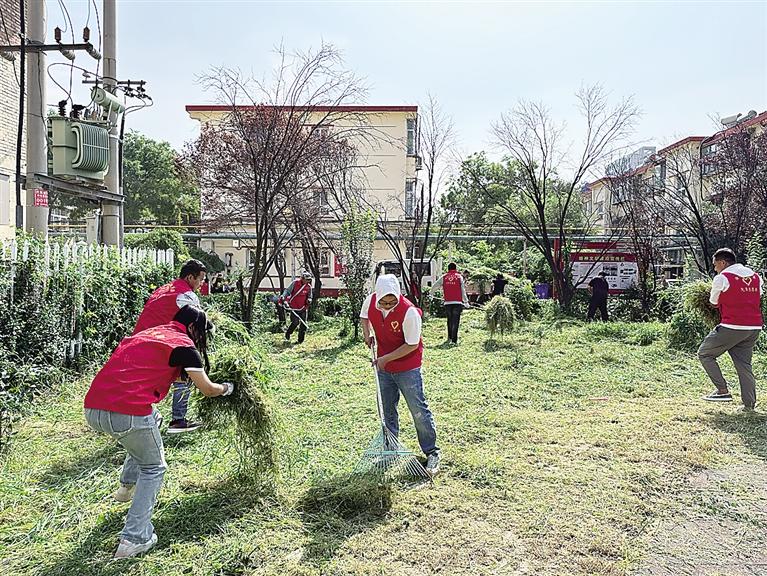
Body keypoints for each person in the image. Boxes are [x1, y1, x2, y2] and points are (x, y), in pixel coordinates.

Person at [84, 305, 234, 559]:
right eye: (202, 332)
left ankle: (126, 488)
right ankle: (134, 539)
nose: (203, 338)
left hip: (93, 409)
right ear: (194, 328)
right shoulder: (185, 347)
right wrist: (227, 388)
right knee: (154, 467)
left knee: (154, 419)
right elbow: (207, 389)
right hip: (127, 414)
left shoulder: (149, 334)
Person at [360, 274, 440, 475]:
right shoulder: (371, 301)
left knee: (418, 409)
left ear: (398, 295)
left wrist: (385, 359)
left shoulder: (409, 312)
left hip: (407, 366)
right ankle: (391, 450)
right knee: (387, 409)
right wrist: (367, 333)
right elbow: (364, 317)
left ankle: (432, 452)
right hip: (384, 366)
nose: (387, 306)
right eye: (383, 302)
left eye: (391, 301)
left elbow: (412, 344)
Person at [132, 259, 208, 433]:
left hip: (140, 340)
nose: (201, 284)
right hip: (159, 341)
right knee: (185, 372)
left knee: (145, 382)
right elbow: (195, 323)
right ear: (190, 277)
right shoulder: (187, 296)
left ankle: (146, 418)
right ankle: (178, 420)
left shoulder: (164, 289)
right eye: (200, 279)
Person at [699, 248, 763, 409]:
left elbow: (713, 302)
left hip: (732, 325)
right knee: (744, 365)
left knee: (705, 353)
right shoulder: (756, 277)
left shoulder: (722, 278)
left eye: (715, 265)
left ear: (723, 262)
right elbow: (758, 296)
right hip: (754, 327)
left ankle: (722, 390)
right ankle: (749, 404)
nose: (715, 269)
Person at [433, 262, 469, 344]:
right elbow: (462, 290)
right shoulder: (459, 277)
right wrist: (466, 301)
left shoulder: (444, 277)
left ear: (448, 269)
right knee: (455, 321)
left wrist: (431, 294)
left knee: (449, 320)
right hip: (457, 302)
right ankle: (454, 340)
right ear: (455, 269)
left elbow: (435, 285)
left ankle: (449, 337)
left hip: (447, 303)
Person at [279, 270, 313, 344]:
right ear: (302, 278)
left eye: (308, 280)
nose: (307, 281)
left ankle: (300, 340)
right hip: (294, 307)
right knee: (295, 322)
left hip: (303, 308)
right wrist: (283, 296)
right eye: (306, 279)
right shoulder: (295, 283)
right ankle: (288, 332)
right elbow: (287, 291)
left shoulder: (308, 287)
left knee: (303, 324)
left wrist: (309, 300)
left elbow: (310, 296)